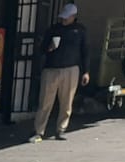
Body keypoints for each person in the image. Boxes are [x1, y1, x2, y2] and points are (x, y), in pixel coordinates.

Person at [31, 3, 89, 142]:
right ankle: (39, 130)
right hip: (51, 68)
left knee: (66, 101)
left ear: (74, 17)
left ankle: (61, 129)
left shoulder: (80, 30)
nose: (64, 20)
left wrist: (86, 71)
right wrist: (49, 48)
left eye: (67, 17)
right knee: (45, 101)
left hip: (71, 68)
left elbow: (85, 51)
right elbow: (42, 48)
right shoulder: (53, 29)